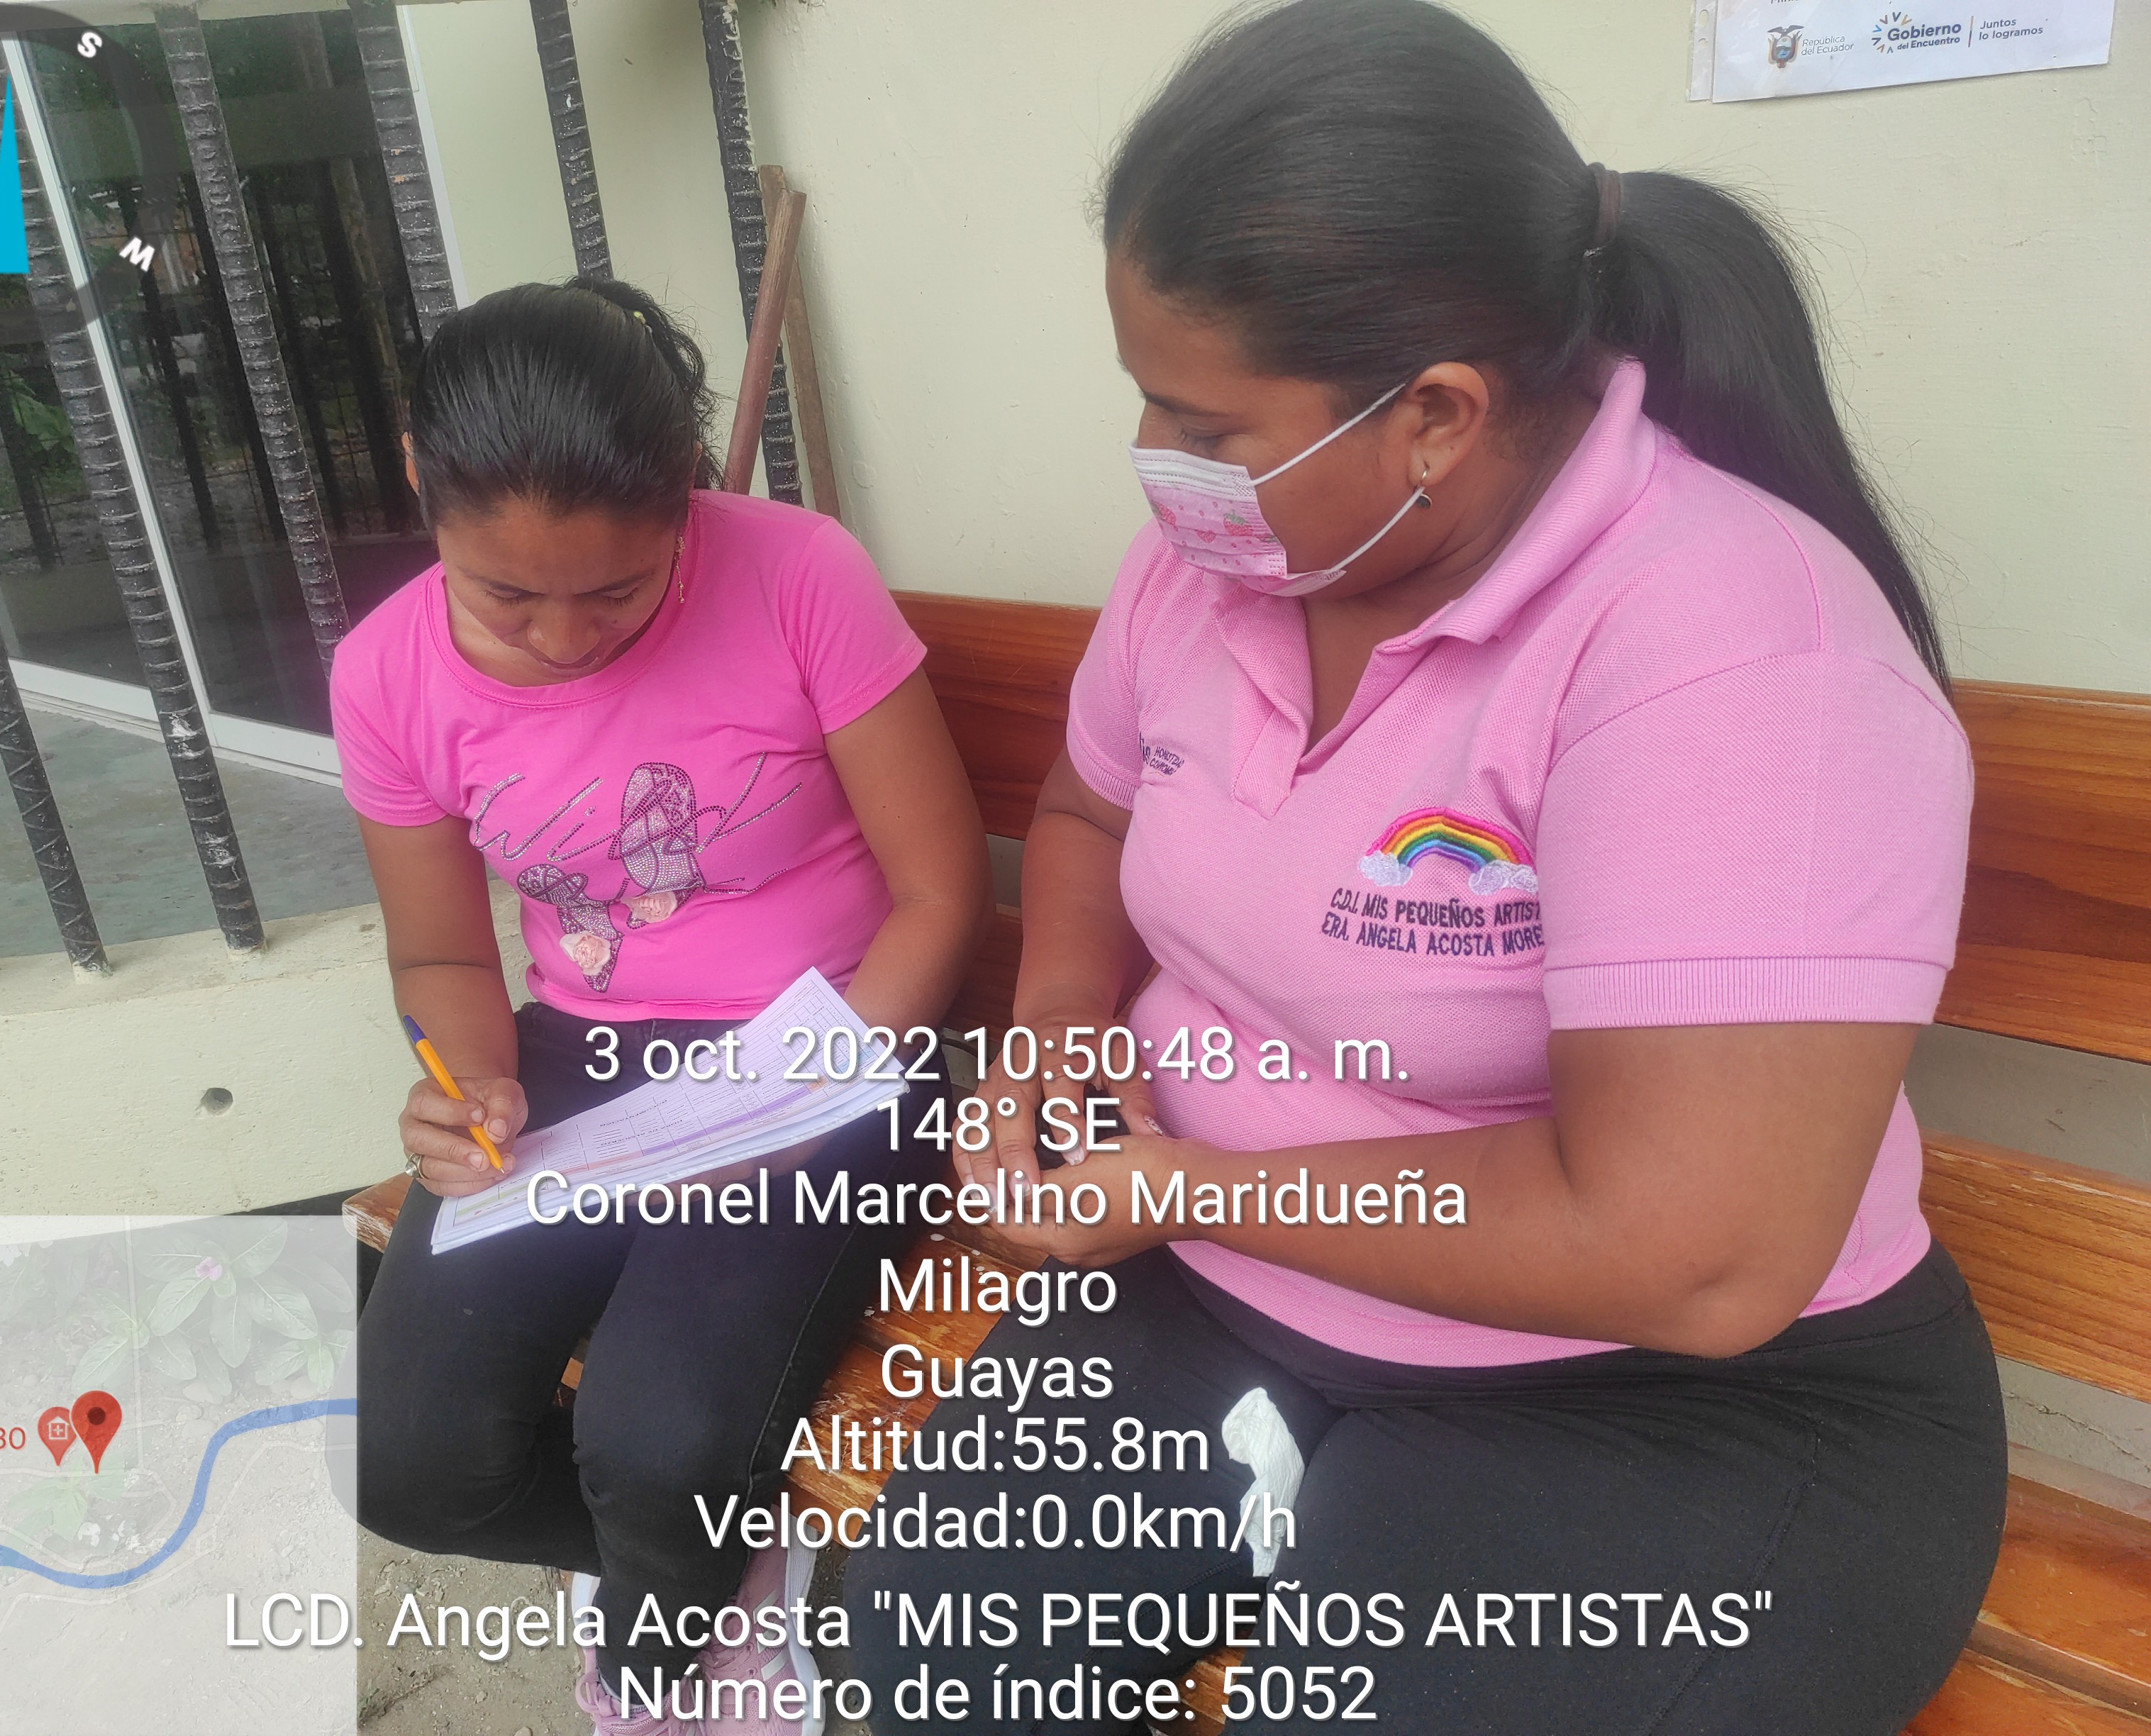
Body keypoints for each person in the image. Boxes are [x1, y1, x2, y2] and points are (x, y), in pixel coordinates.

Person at [844, 4, 2004, 1732]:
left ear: (1439, 418)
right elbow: (1088, 815)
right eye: (1147, 399)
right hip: (1225, 1285)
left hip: (1659, 1391)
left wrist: (1181, 1187)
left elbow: (1689, 1254)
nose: (1158, 464)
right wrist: (1064, 1026)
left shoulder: (1741, 649)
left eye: (1207, 424)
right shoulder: (1219, 573)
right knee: (925, 1669)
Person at [338, 278, 989, 1735]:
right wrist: (467, 1082)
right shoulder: (383, 672)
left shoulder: (797, 573)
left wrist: (809, 1093)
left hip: (835, 1042)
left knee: (663, 1437)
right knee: (408, 1457)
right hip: (581, 1063)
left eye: (618, 591)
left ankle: (660, 1651)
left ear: (685, 494)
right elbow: (443, 961)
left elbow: (942, 895)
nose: (565, 639)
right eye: (507, 597)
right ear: (419, 479)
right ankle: (703, 1570)